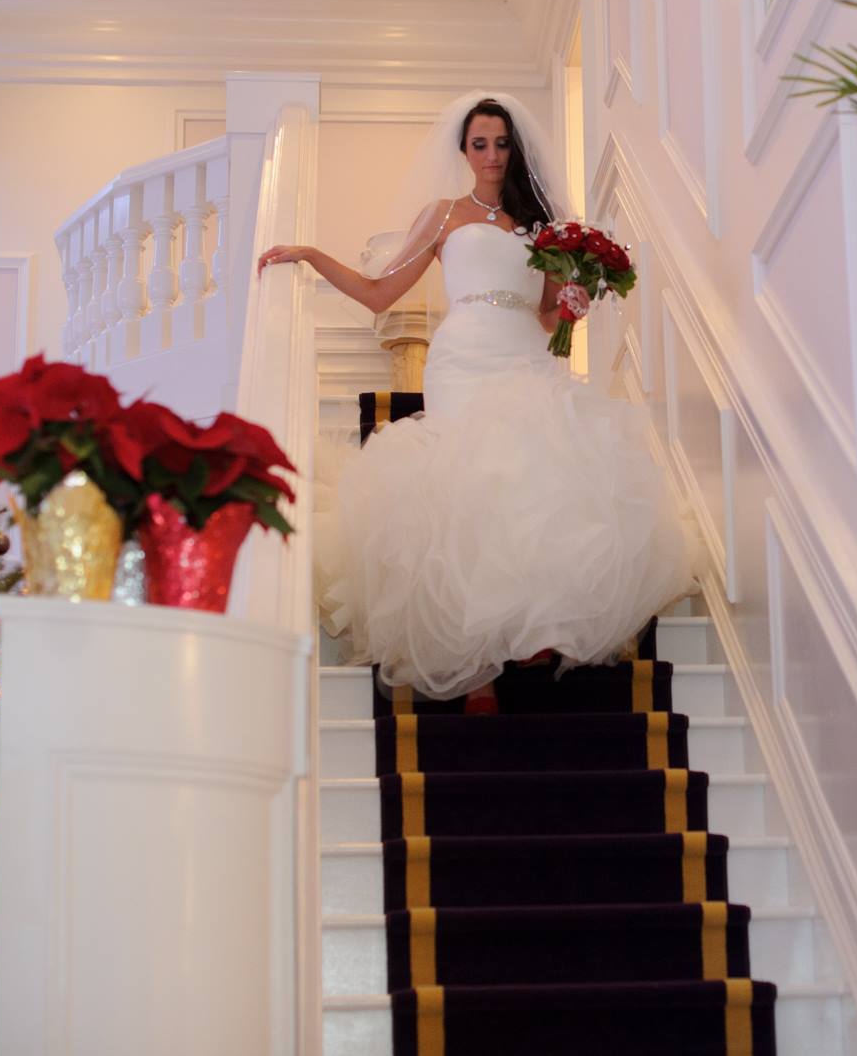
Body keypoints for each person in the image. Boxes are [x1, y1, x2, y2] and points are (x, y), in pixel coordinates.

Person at [258, 91, 695, 708]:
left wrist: (574, 303)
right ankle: (477, 664)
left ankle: (529, 626)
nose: (491, 155)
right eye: (479, 143)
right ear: (463, 151)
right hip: (462, 358)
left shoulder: (543, 228)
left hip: (523, 351)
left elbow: (548, 319)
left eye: (501, 142)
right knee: (465, 489)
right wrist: (309, 253)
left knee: (532, 482)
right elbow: (381, 292)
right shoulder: (442, 216)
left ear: (516, 148)